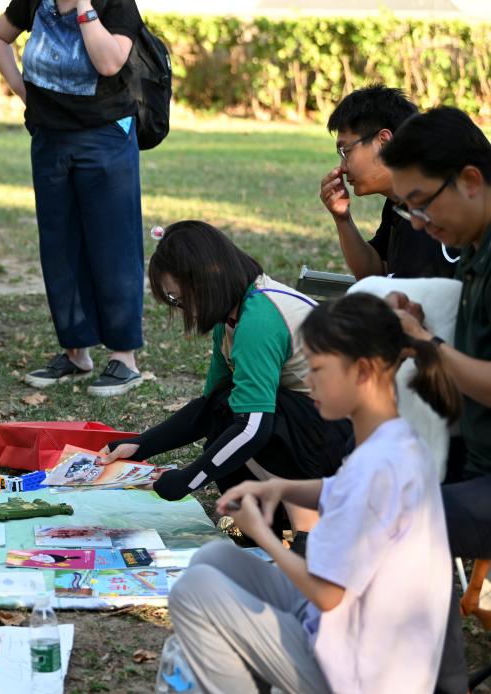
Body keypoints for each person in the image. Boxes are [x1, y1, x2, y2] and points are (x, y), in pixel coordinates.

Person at [168, 292, 457, 694]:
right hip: (348, 639)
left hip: (360, 676)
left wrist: (265, 536)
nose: (307, 380)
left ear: (361, 372)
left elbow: (327, 595)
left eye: (318, 369)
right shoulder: (395, 439)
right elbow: (341, 490)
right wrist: (279, 486)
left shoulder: (379, 466)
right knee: (213, 558)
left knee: (194, 592)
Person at [101, 222, 351, 548]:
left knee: (245, 417)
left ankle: (303, 518)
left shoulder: (258, 319)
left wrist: (187, 480)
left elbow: (254, 428)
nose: (184, 309)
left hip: (342, 444)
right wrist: (141, 444)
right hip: (318, 429)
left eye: (180, 298)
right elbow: (209, 408)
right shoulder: (233, 316)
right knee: (226, 406)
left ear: (206, 281)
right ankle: (268, 521)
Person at [379, 107, 491, 692]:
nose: (418, 223)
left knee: (408, 519)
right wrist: (421, 342)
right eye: (407, 209)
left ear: (470, 179)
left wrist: (426, 346)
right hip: (475, 462)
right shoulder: (476, 251)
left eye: (422, 203)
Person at [0, 0, 146, 397]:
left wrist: (85, 8)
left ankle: (125, 358)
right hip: (50, 137)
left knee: (113, 244)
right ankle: (76, 350)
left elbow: (110, 63)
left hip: (105, 135)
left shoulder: (116, 4)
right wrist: (27, 95)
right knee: (59, 245)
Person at [319, 85, 456, 280]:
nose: (342, 167)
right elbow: (376, 272)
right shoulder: (398, 200)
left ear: (384, 141)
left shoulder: (431, 207)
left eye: (345, 151)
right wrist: (342, 219)